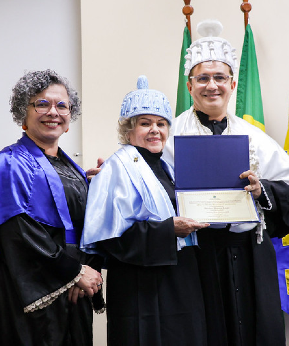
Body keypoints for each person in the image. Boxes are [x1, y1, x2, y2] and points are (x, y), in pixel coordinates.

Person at [162, 20, 289, 346]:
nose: (211, 85)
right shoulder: (169, 135)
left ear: (232, 84)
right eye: (202, 78)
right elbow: (149, 189)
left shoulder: (255, 138)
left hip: (247, 256)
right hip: (193, 256)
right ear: (189, 86)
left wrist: (262, 189)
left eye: (219, 78)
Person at [0, 69, 104, 346]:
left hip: (71, 290)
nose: (53, 112)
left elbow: (81, 225)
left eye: (62, 105)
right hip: (25, 294)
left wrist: (99, 189)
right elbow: (17, 232)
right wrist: (72, 272)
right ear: (23, 114)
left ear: (70, 119)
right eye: (42, 104)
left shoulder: (72, 170)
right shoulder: (8, 164)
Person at [81, 75, 210, 346]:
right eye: (145, 123)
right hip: (140, 289)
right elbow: (112, 238)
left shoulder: (169, 168)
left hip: (180, 283)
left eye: (161, 124)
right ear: (128, 131)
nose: (155, 130)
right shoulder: (116, 168)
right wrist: (168, 229)